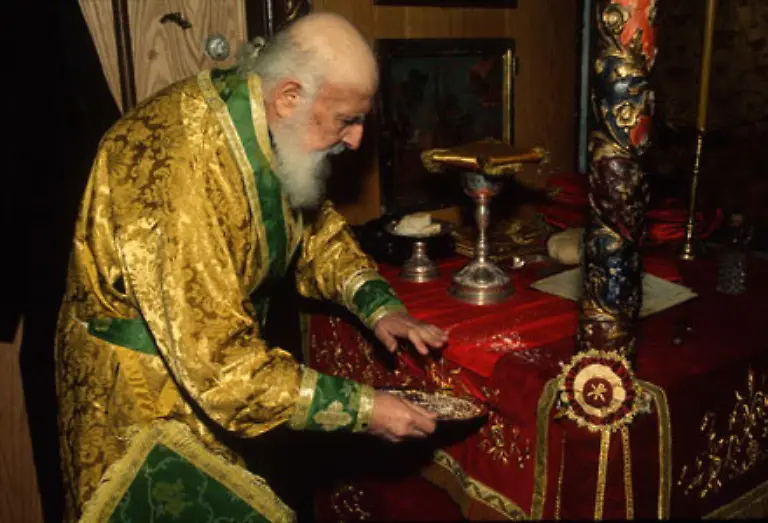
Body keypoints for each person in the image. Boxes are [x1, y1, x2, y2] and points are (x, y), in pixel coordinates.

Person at [56, 12, 448, 522]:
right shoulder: (179, 168)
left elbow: (313, 228)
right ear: (290, 95)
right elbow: (220, 364)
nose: (355, 141)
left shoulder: (269, 119)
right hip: (141, 400)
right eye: (345, 121)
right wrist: (363, 410)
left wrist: (377, 305)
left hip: (214, 372)